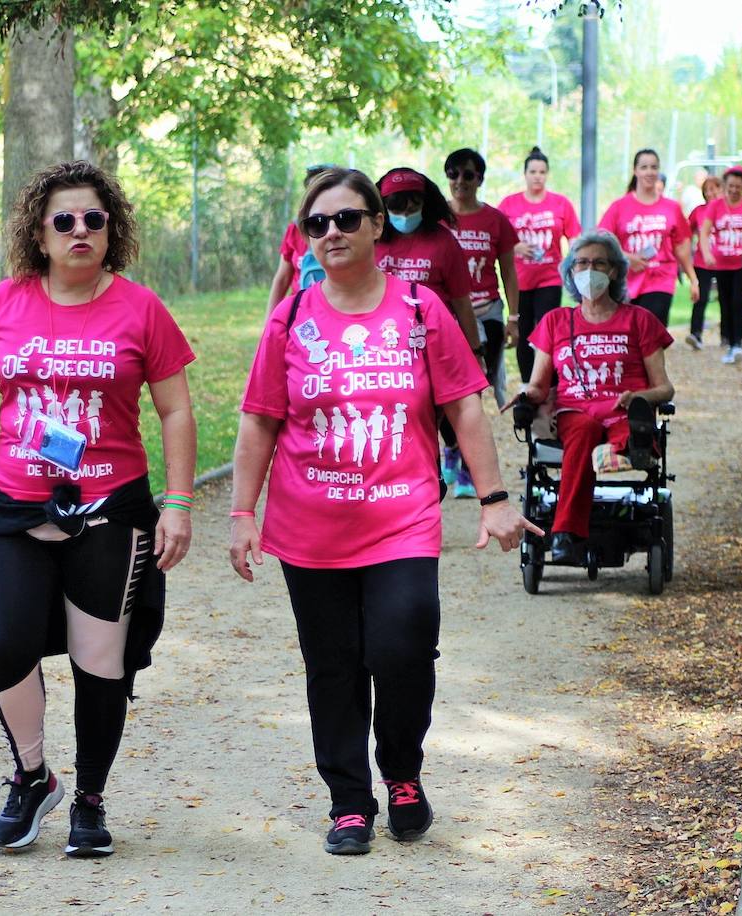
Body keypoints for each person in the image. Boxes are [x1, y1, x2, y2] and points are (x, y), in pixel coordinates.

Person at [229, 166, 538, 857]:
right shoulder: (290, 319)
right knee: (332, 664)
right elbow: (259, 422)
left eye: (345, 219)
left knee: (403, 649)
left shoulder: (421, 310)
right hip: (311, 528)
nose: (331, 232)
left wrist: (492, 499)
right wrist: (241, 514)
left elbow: (463, 403)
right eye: (317, 223)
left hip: (401, 518)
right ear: (306, 239)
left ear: (376, 226)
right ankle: (347, 801)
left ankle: (401, 770)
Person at [0, 160, 197, 858]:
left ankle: (92, 800)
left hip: (111, 509)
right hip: (16, 506)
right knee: (7, 644)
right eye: (64, 220)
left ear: (112, 232)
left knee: (99, 660)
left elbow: (176, 409)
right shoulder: (8, 302)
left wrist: (179, 503)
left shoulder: (140, 308)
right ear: (39, 234)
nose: (80, 230)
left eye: (94, 220)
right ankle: (33, 776)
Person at [502, 229, 675, 566]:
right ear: (571, 270)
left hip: (624, 406)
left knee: (631, 425)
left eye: (599, 263)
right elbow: (539, 385)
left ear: (614, 271)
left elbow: (665, 389)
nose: (589, 269)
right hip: (575, 409)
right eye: (581, 263)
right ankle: (566, 534)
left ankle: (632, 445)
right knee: (581, 432)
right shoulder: (555, 321)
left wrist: (639, 395)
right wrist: (525, 394)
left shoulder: (640, 320)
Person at [498, 146, 581, 382]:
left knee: (547, 329)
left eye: (542, 172)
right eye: (533, 171)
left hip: (550, 277)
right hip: (520, 280)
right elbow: (497, 239)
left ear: (547, 174)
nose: (537, 176)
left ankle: (550, 381)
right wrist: (516, 247)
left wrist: (574, 260)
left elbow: (574, 235)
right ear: (525, 174)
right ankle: (527, 383)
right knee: (524, 332)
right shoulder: (509, 204)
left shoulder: (560, 204)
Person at [444, 147, 519, 410]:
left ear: (480, 179)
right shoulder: (439, 219)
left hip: (489, 310)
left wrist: (513, 318)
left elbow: (509, 271)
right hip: (449, 313)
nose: (460, 181)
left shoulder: (496, 220)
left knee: (482, 377)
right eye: (453, 174)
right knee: (450, 377)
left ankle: (470, 435)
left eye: (468, 175)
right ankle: (453, 442)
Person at [374, 167, 480, 351]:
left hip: (434, 340)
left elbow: (462, 303)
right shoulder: (371, 241)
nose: (405, 216)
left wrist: (476, 351)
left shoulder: (443, 242)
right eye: (397, 209)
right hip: (384, 341)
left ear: (425, 204)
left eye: (413, 208)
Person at [598, 149, 698, 326]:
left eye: (654, 167)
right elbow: (602, 241)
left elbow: (682, 246)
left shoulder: (671, 207)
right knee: (630, 336)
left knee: (653, 332)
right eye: (644, 167)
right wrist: (627, 258)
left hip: (661, 278)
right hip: (627, 282)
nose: (649, 172)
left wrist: (693, 278)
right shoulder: (619, 207)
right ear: (635, 171)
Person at [699, 165, 742, 364]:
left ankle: (737, 343)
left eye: (738, 186)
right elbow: (704, 231)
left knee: (738, 302)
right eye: (730, 185)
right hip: (721, 263)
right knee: (725, 302)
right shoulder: (716, 206)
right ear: (725, 185)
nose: (734, 190)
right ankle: (729, 340)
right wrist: (706, 253)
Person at [267, 164, 336, 312]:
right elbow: (283, 277)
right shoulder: (295, 228)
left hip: (336, 310)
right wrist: (269, 325)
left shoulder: (346, 228)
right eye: (311, 192)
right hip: (301, 311)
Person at [685, 174, 723, 350]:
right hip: (702, 262)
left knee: (726, 298)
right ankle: (696, 334)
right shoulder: (699, 212)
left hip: (725, 262)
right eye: (707, 190)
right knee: (701, 297)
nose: (711, 193)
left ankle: (727, 335)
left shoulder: (728, 210)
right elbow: (686, 232)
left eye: (714, 188)